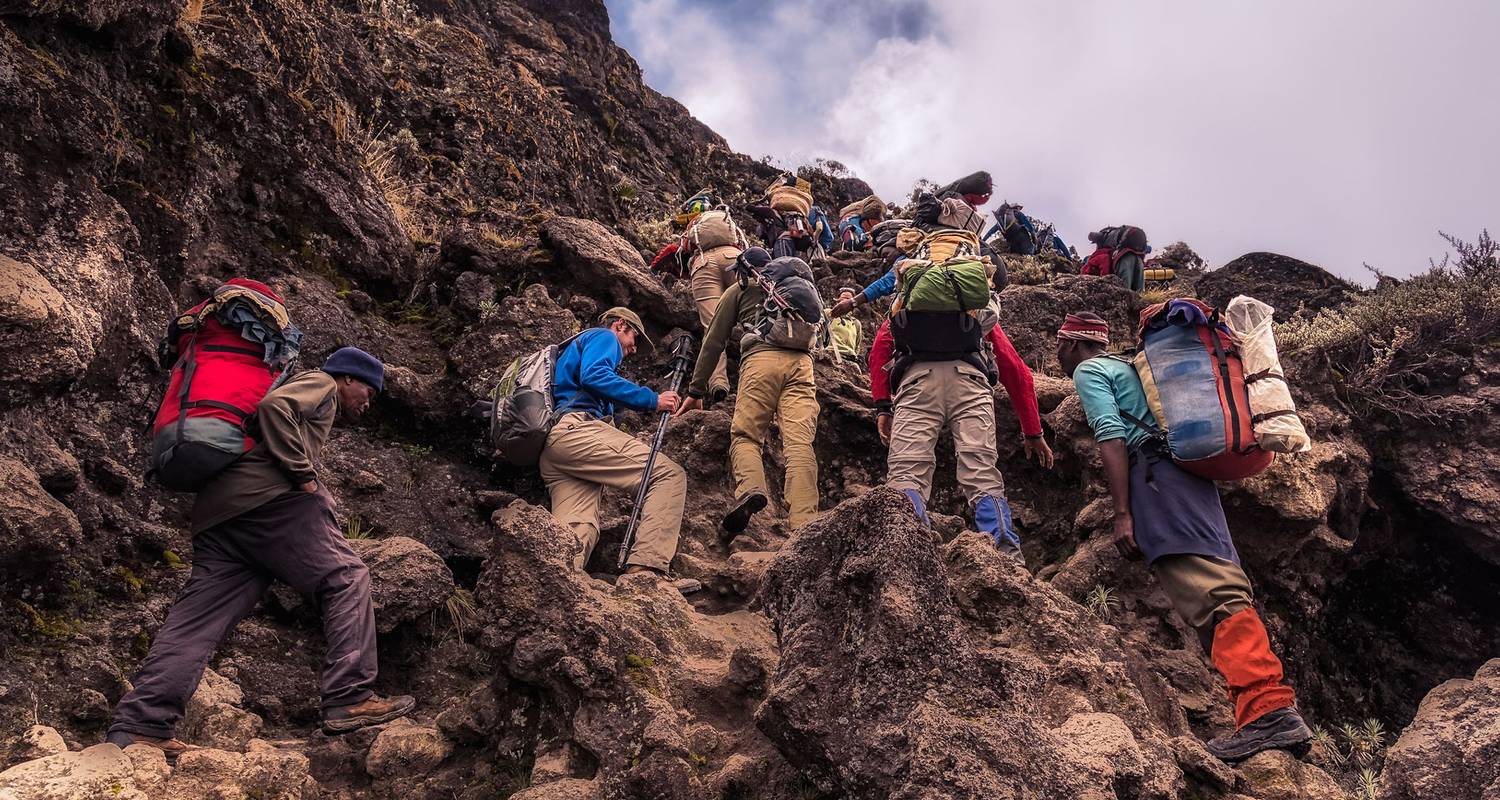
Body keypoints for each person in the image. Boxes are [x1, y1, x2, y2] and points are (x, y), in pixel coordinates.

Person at [108, 347, 412, 759]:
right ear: (349, 379)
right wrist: (304, 477)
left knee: (195, 625)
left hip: (219, 518)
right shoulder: (321, 383)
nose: (367, 402)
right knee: (346, 577)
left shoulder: (316, 391)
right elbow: (275, 406)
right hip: (270, 504)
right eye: (369, 391)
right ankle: (349, 695)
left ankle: (139, 724)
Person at [1055, 312, 1312, 762]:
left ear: (1075, 344)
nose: (1058, 353)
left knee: (1212, 593)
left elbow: (1112, 437)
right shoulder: (1132, 368)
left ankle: (1268, 711)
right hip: (1193, 482)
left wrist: (1122, 512)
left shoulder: (1090, 370)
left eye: (1060, 343)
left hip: (1157, 483)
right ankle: (1263, 708)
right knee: (1223, 586)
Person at [540, 307, 698, 593]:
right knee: (667, 476)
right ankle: (645, 572)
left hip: (556, 448)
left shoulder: (574, 352)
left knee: (579, 527)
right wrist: (652, 399)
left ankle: (557, 588)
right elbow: (594, 375)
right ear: (621, 325)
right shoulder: (603, 337)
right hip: (576, 431)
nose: (633, 349)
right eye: (634, 339)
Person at [868, 312, 1053, 554]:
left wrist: (883, 405)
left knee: (906, 473)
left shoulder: (908, 300)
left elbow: (880, 348)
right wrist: (1032, 431)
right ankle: (1006, 556)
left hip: (916, 384)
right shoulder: (974, 304)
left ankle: (907, 554)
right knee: (982, 475)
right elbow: (1015, 369)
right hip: (970, 384)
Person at [677, 248, 821, 533]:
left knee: (746, 435)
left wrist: (695, 390)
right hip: (802, 364)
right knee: (800, 444)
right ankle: (804, 523)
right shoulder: (793, 291)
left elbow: (713, 342)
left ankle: (752, 488)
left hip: (761, 362)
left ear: (745, 271)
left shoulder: (738, 291)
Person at [648, 191, 740, 403]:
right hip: (735, 260)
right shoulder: (725, 222)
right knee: (755, 317)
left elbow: (674, 250)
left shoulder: (694, 228)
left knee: (713, 327)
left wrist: (652, 269)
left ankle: (718, 383)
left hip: (704, 265)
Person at [827, 287, 864, 361]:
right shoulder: (828, 313)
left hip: (850, 356)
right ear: (837, 302)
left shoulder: (856, 323)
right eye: (842, 299)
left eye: (847, 300)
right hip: (831, 352)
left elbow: (857, 345)